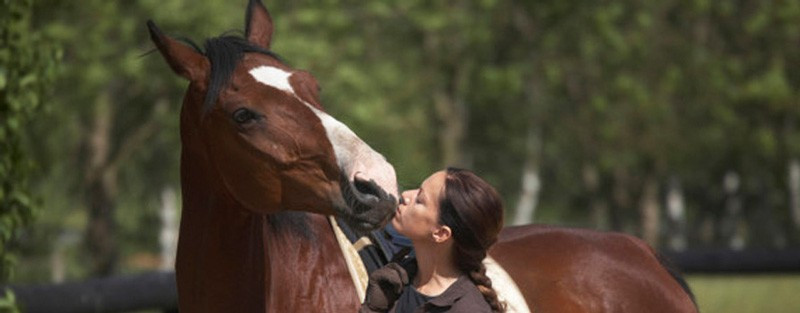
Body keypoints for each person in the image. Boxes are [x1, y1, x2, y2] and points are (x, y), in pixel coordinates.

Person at [360, 168, 506, 313]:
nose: (405, 195)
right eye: (418, 189)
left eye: (419, 200)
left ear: (441, 233)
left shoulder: (468, 309)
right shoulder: (394, 279)